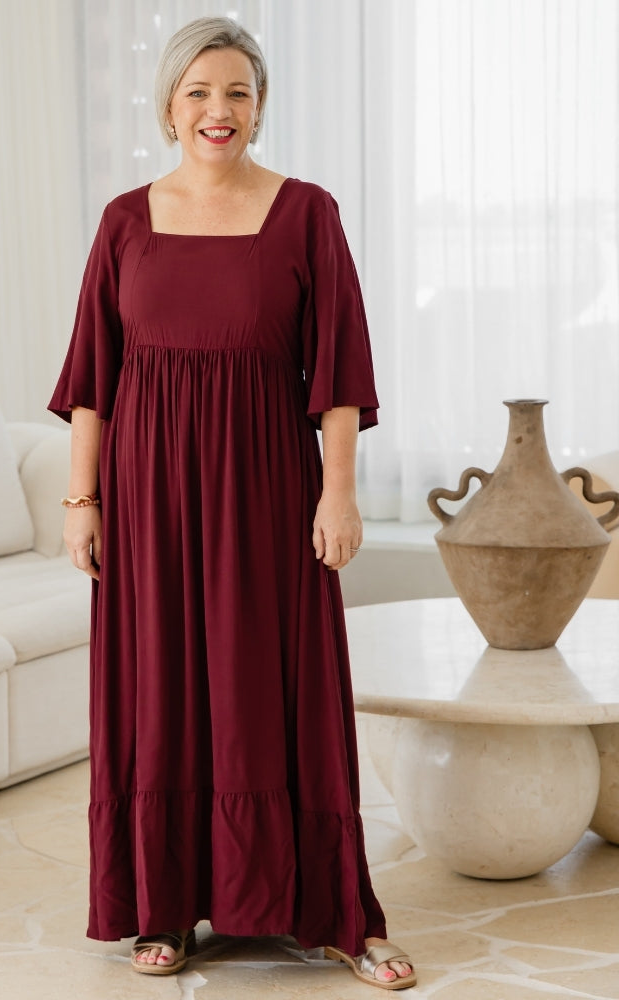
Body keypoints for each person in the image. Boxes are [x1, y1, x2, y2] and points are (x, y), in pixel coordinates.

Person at [48, 15, 416, 992]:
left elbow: (336, 371)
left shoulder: (306, 213)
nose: (220, 111)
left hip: (266, 487)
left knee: (277, 685)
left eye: (239, 94)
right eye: (200, 92)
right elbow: (95, 375)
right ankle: (162, 906)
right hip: (146, 497)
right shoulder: (126, 219)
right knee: (159, 689)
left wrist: (338, 492)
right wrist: (82, 500)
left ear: (260, 107)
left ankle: (329, 909)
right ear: (168, 105)